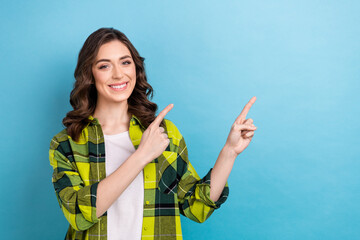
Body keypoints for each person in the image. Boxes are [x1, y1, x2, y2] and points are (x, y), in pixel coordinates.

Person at [48, 27, 257, 240]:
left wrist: (229, 152)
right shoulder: (66, 144)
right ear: (89, 74)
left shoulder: (163, 134)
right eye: (104, 66)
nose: (119, 74)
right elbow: (78, 214)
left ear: (136, 69)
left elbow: (196, 207)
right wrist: (141, 156)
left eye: (125, 62)